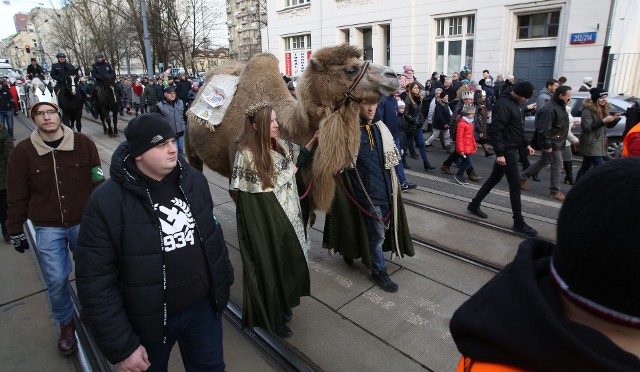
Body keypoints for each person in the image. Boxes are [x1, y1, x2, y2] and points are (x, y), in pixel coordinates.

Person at [76, 113, 233, 371]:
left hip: (202, 311)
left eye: (173, 141)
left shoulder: (193, 180)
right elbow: (94, 280)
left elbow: (212, 233)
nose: (173, 150)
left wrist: (223, 278)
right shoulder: (106, 201)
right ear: (138, 153)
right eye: (161, 145)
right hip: (147, 322)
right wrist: (123, 346)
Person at [450, 158, 640, 371]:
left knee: (509, 183)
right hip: (507, 153)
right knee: (510, 183)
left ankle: (491, 208)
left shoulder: (492, 327)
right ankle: (502, 212)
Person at [6, 101, 104, 356]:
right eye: (40, 113)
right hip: (48, 226)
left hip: (83, 222)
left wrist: (103, 218)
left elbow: (97, 182)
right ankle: (65, 323)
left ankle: (92, 312)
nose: (47, 117)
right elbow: (16, 194)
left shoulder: (84, 143)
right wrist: (14, 228)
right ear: (34, 118)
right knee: (57, 279)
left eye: (51, 112)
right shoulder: (23, 152)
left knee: (91, 274)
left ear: (59, 114)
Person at [230, 102, 315, 339]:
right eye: (271, 122)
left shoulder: (278, 146)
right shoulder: (246, 156)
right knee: (271, 265)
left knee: (287, 264)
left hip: (288, 221)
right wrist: (264, 233)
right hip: (268, 225)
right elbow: (251, 204)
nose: (276, 126)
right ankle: (273, 316)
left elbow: (300, 158)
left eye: (277, 120)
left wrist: (316, 138)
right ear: (255, 126)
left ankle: (284, 305)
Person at [323, 99, 414, 293]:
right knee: (377, 234)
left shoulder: (381, 128)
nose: (371, 108)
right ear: (357, 105)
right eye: (366, 104)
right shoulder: (347, 131)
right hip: (364, 194)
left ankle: (353, 251)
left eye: (374, 103)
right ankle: (378, 271)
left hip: (384, 191)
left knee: (374, 232)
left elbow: (390, 162)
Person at [466, 81, 538, 236]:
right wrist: (499, 153)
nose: (527, 101)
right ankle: (518, 222)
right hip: (507, 150)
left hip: (511, 147)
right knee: (515, 184)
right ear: (519, 94)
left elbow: (517, 127)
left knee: (494, 178)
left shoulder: (516, 104)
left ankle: (474, 204)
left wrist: (526, 144)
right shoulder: (504, 104)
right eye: (526, 98)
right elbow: (496, 130)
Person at [520, 85, 572, 201]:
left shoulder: (559, 105)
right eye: (568, 96)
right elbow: (544, 129)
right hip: (552, 142)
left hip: (556, 140)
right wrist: (548, 145)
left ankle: (522, 178)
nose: (570, 99)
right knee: (557, 165)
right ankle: (555, 191)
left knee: (544, 161)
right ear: (561, 96)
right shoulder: (550, 108)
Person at [575, 88, 622, 181]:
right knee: (601, 167)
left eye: (605, 97)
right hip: (590, 142)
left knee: (586, 167)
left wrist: (615, 119)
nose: (604, 99)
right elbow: (587, 127)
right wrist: (604, 120)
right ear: (596, 98)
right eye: (601, 97)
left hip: (598, 142)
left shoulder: (603, 109)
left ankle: (577, 187)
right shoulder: (587, 111)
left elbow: (607, 126)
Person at [377, 94, 416, 191]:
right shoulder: (382, 100)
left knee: (397, 160)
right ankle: (390, 184)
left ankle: (402, 182)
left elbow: (395, 119)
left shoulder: (394, 100)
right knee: (387, 161)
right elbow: (380, 120)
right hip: (387, 137)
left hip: (395, 136)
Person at [404, 82, 436, 171]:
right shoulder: (408, 99)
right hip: (411, 126)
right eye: (414, 88)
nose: (417, 89)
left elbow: (419, 112)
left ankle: (426, 163)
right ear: (410, 89)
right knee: (406, 144)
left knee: (421, 144)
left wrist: (421, 120)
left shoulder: (418, 98)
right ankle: (402, 161)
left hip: (418, 125)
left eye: (417, 88)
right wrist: (414, 120)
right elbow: (405, 113)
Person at [157, 85, 186, 155]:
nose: (172, 95)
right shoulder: (160, 105)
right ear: (165, 94)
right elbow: (159, 120)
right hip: (170, 133)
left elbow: (184, 115)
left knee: (181, 149)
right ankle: (175, 164)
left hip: (181, 131)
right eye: (170, 93)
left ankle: (180, 163)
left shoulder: (180, 102)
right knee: (174, 151)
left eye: (174, 93)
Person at [453, 104, 477, 185]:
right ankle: (459, 174)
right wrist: (460, 149)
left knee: (466, 162)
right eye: (471, 114)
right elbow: (459, 137)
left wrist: (474, 145)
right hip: (464, 147)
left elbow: (472, 136)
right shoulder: (462, 124)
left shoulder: (470, 123)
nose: (472, 115)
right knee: (468, 162)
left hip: (468, 146)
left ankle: (460, 175)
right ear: (466, 114)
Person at [0, 125, 14, 243]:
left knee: (4, 207)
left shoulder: (2, 134)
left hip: (2, 178)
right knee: (4, 207)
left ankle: (6, 231)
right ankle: (6, 231)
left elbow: (9, 155)